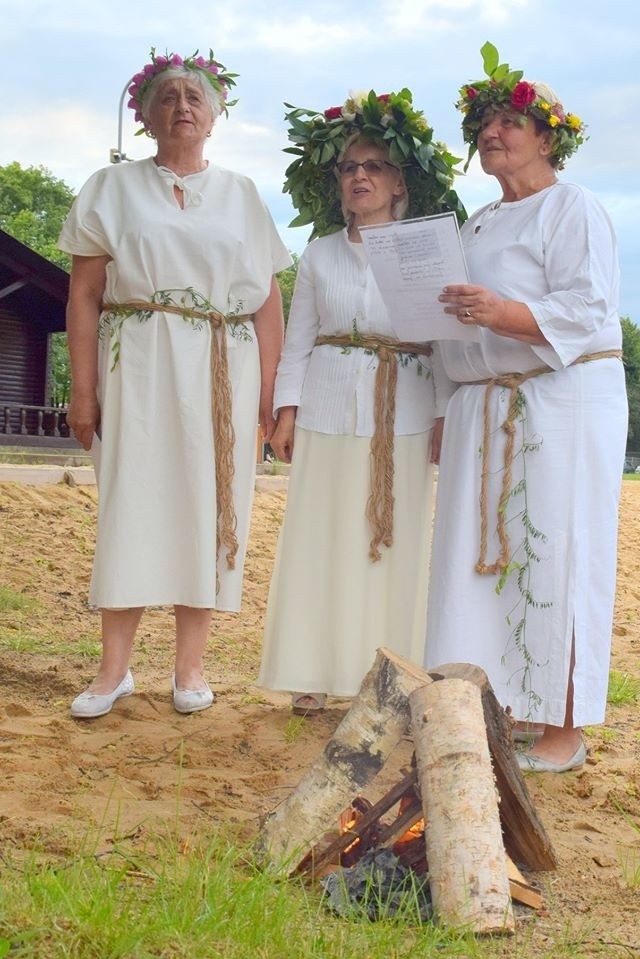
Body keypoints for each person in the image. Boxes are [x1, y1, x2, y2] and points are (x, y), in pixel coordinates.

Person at [59, 49, 291, 719]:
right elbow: (84, 295)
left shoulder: (243, 195)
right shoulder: (112, 187)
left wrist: (270, 392)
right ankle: (114, 670)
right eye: (168, 98)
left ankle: (190, 667)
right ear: (145, 115)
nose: (182, 107)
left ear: (214, 118)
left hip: (225, 363)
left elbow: (267, 300)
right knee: (132, 500)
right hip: (139, 357)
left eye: (194, 97)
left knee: (210, 504)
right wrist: (82, 389)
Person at [424, 43, 628, 771]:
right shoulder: (476, 225)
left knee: (557, 552)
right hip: (484, 408)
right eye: (483, 122)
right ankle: (501, 704)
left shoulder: (572, 207)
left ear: (548, 137)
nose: (492, 132)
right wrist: (447, 407)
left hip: (559, 405)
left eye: (509, 120)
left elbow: (588, 307)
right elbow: (452, 322)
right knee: (482, 565)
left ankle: (563, 728)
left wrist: (505, 311)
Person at [258, 90, 465, 713]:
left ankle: (386, 678)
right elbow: (298, 338)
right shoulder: (319, 253)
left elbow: (444, 341)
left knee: (389, 542)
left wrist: (441, 414)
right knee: (319, 537)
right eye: (350, 168)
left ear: (400, 181)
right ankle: (312, 670)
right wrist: (285, 411)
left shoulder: (424, 249)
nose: (360, 176)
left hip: (401, 412)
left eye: (374, 166)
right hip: (326, 406)